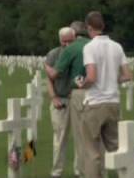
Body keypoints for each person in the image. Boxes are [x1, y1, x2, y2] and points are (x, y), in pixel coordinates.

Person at [77, 11, 132, 178]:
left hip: (95, 103)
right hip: (113, 103)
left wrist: (82, 84)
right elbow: (128, 75)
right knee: (116, 149)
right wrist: (113, 80)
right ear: (103, 26)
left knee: (92, 152)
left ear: (89, 27)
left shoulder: (89, 47)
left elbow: (92, 77)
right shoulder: (117, 46)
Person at [45, 21, 90, 178]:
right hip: (60, 100)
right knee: (60, 137)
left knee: (81, 137)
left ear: (75, 38)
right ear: (59, 40)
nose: (67, 44)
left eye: (70, 40)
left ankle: (80, 171)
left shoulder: (80, 52)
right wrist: (54, 97)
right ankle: (57, 172)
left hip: (76, 98)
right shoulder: (53, 54)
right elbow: (49, 79)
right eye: (64, 41)